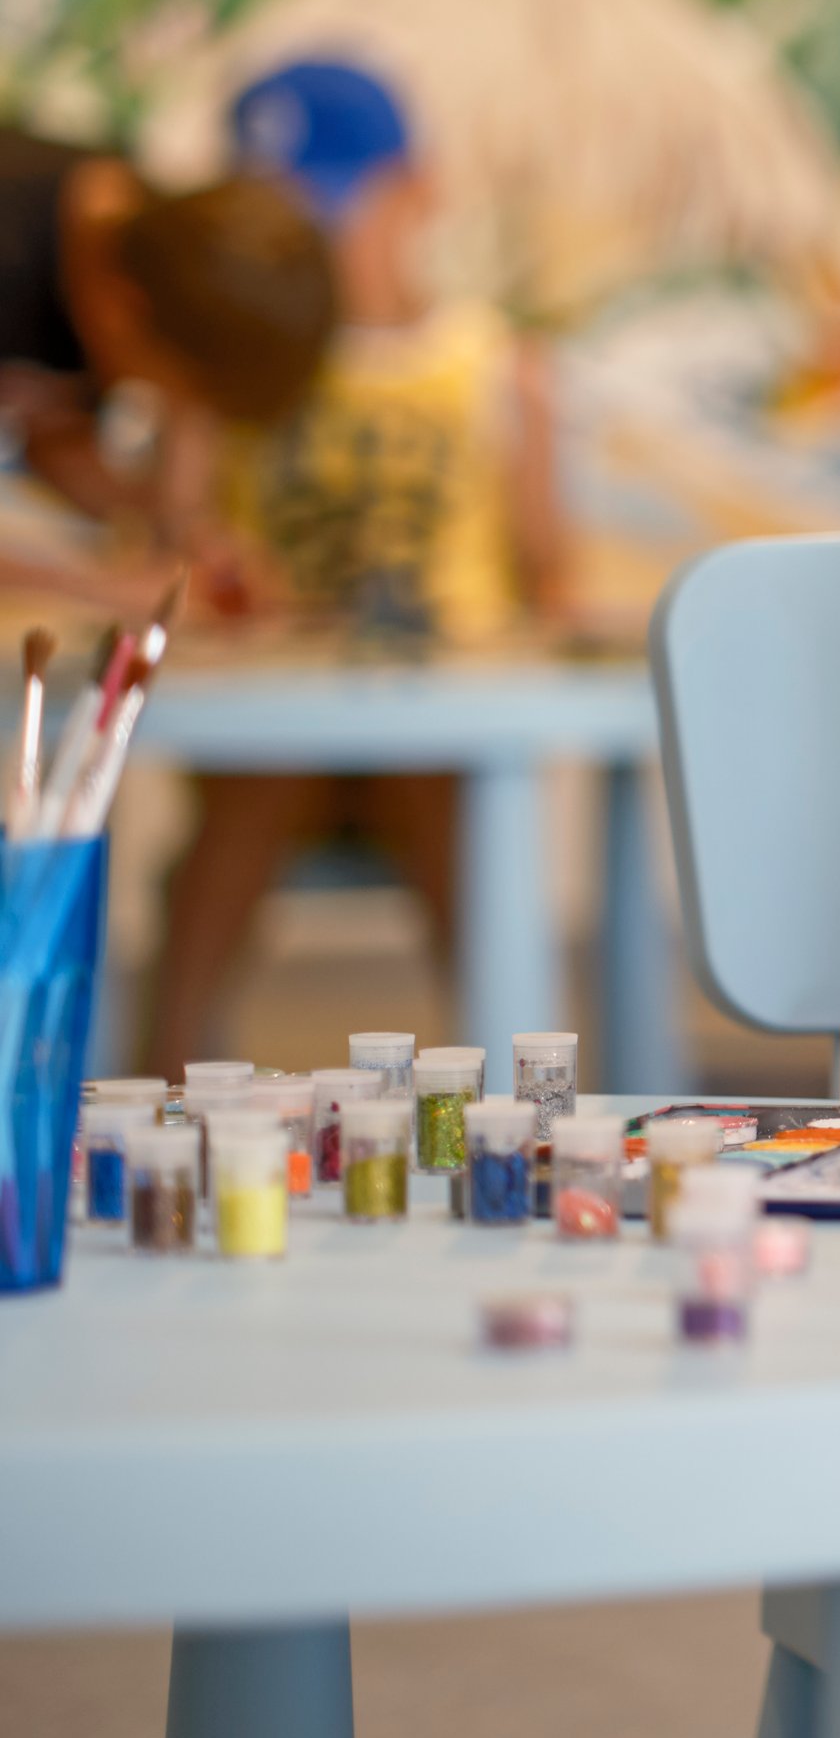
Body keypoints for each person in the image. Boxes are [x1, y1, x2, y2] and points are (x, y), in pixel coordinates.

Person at [135, 59, 571, 1071]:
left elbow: (548, 574)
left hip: (437, 722)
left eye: (327, 212)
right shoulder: (237, 375)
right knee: (245, 793)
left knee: (448, 800)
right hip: (275, 728)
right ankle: (153, 1081)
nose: (309, 248)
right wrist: (193, 405)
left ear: (419, 190)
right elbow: (173, 545)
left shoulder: (490, 364)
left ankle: (520, 1094)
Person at [0, 115, 333, 609]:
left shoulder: (159, 249)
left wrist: (189, 532)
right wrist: (103, 588)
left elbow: (50, 435)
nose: (175, 407)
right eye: (173, 389)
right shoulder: (16, 228)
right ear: (124, 311)